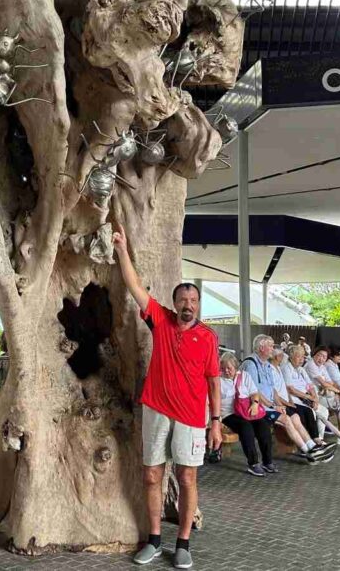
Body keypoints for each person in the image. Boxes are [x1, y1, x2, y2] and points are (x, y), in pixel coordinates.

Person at [113, 226, 221, 570]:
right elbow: (134, 287)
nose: (187, 306)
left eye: (193, 301)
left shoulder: (208, 337)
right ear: (174, 304)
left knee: (187, 478)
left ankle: (184, 543)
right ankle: (155, 540)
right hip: (156, 410)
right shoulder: (161, 320)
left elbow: (214, 382)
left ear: (199, 304)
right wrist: (121, 249)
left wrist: (215, 422)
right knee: (151, 475)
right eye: (182, 301)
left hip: (191, 417)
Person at [267, 346, 335, 463]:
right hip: (288, 402)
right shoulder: (282, 368)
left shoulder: (285, 368)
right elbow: (284, 390)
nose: (302, 359)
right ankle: (309, 448)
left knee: (314, 412)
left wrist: (314, 398)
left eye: (303, 357)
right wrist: (286, 403)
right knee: (305, 413)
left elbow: (309, 385)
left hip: (294, 400)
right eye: (299, 357)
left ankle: (315, 444)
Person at [219, 352, 275, 476]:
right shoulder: (218, 380)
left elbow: (254, 393)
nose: (226, 371)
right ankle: (253, 463)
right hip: (229, 413)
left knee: (263, 426)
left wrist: (255, 404)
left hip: (247, 410)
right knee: (246, 427)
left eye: (229, 368)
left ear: (235, 366)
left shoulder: (245, 376)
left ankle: (267, 461)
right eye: (223, 369)